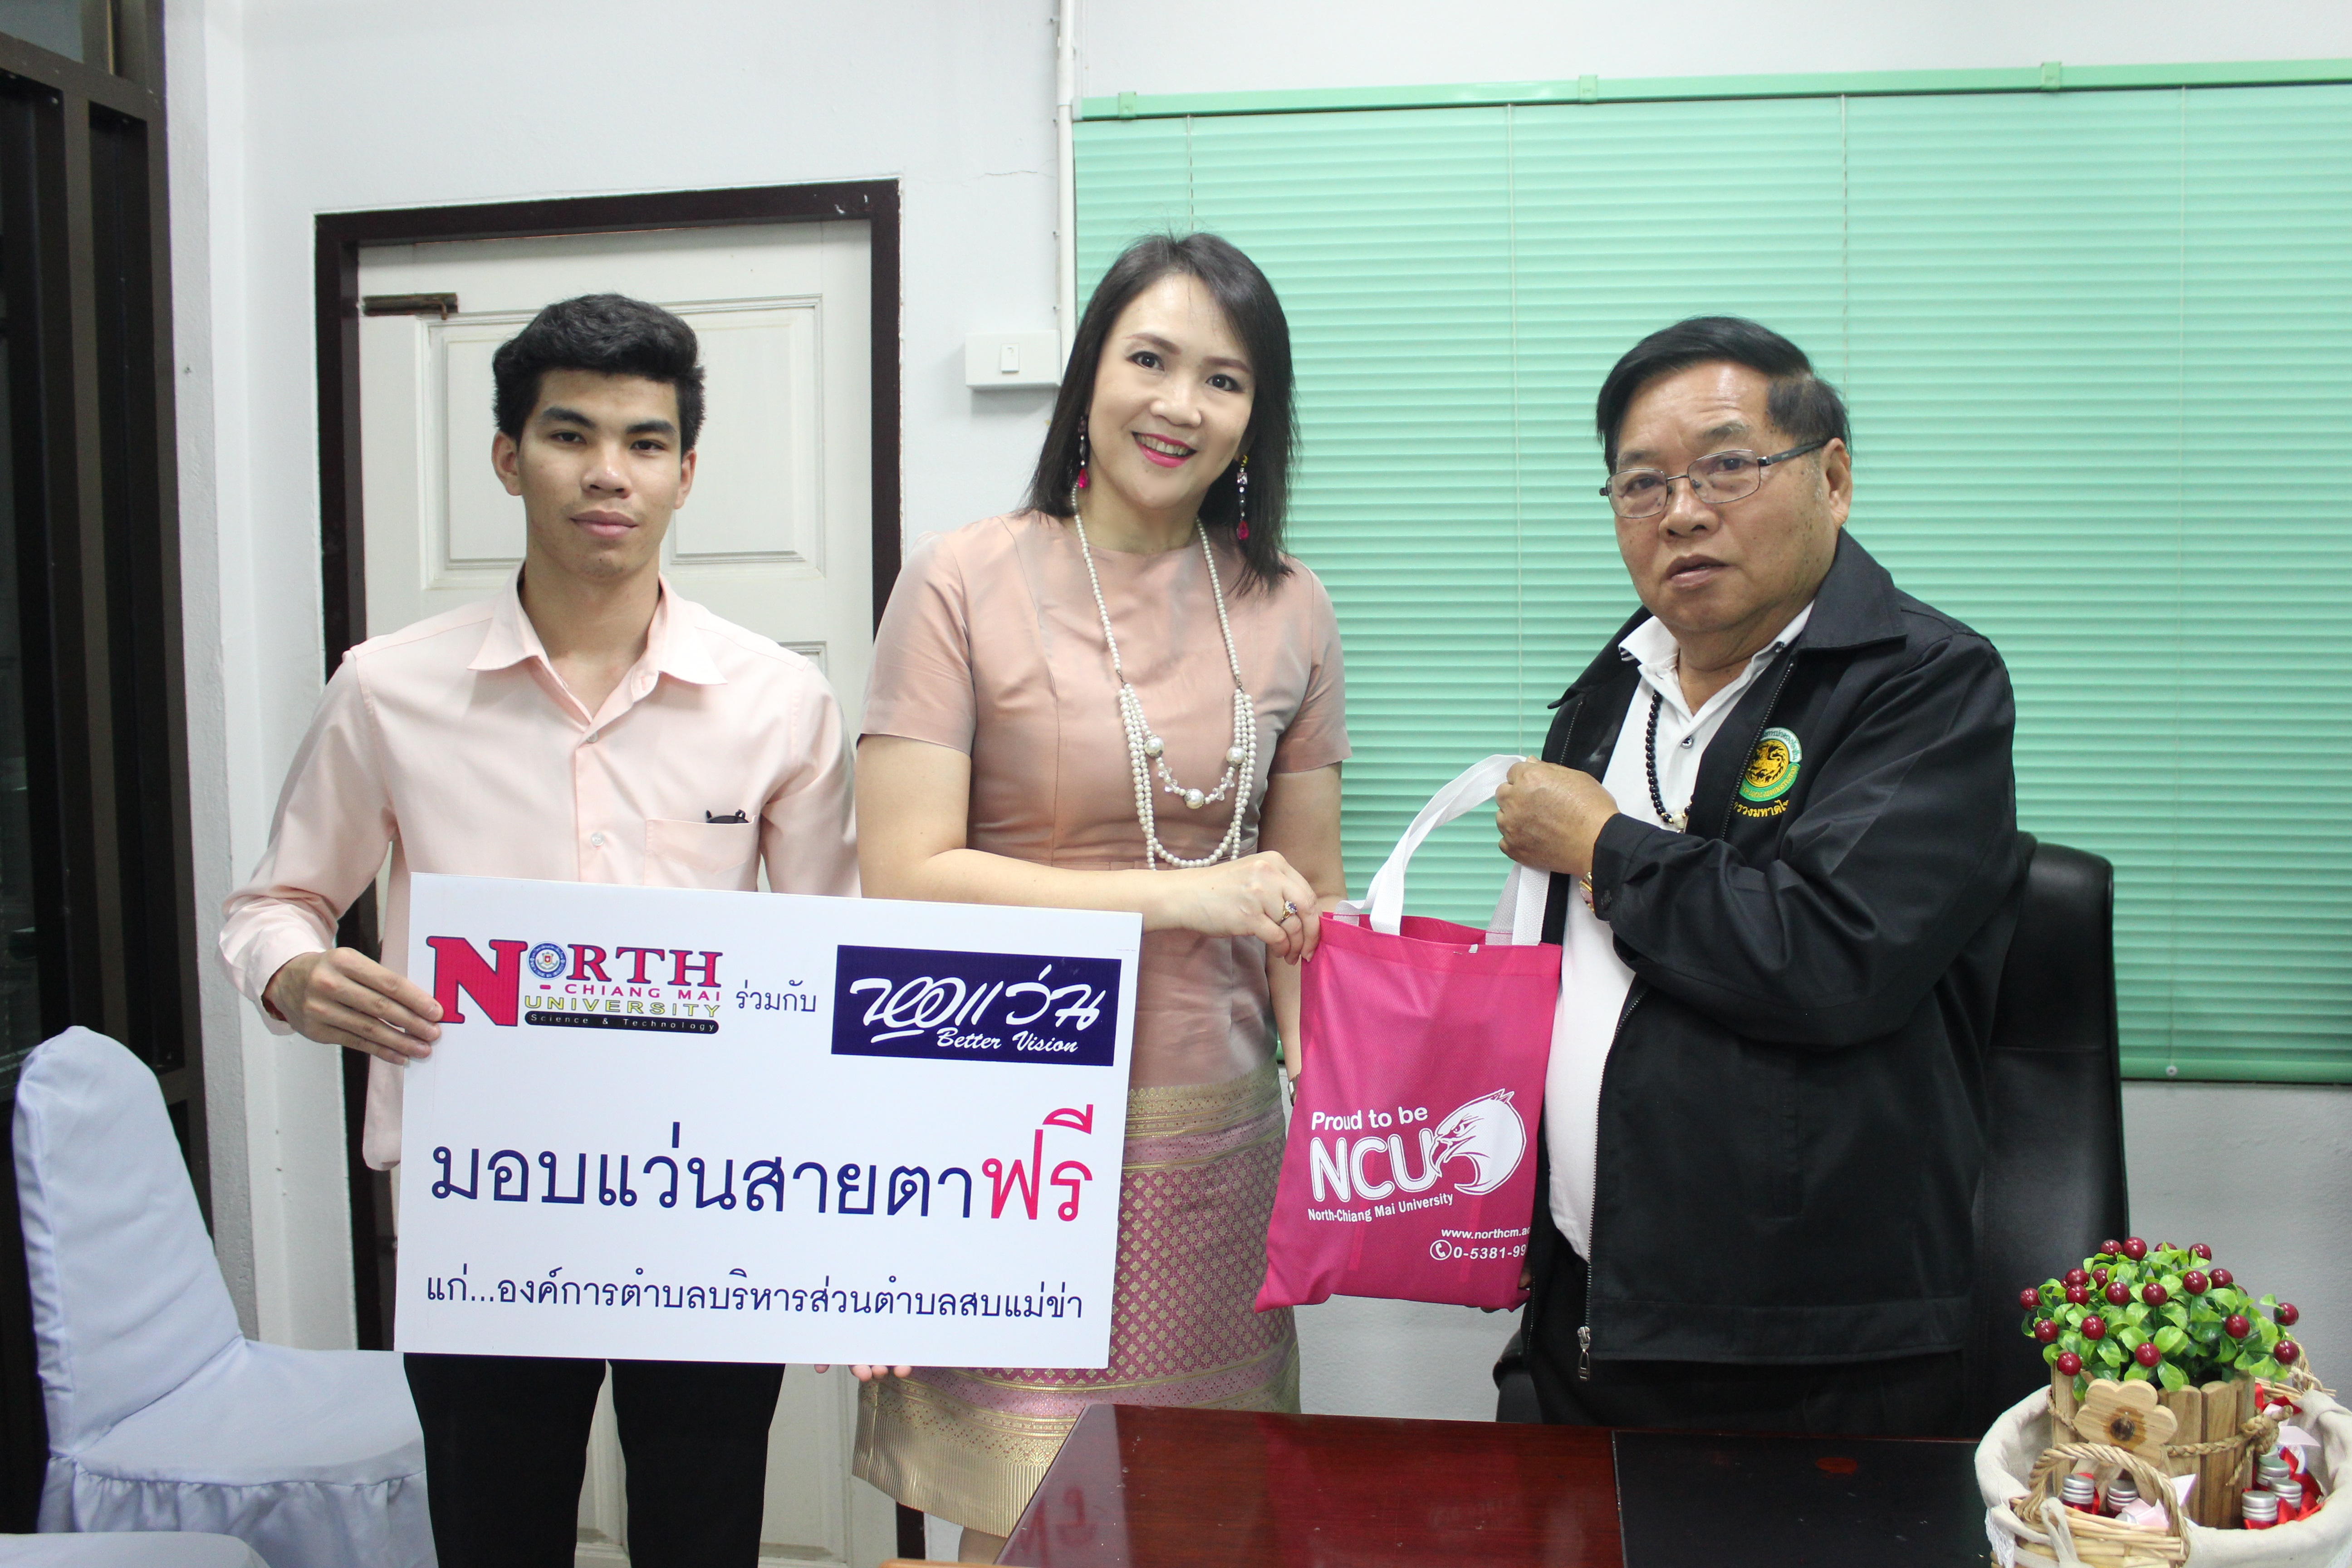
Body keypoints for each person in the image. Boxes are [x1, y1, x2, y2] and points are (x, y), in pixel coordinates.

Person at [218, 294, 857, 1568]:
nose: (608, 473)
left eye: (645, 442)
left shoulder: (780, 701)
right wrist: (296, 976)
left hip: (707, 1200)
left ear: (686, 473)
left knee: (703, 1538)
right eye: (571, 435)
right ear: (509, 459)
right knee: (494, 1536)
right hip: (485, 1206)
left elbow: (832, 962)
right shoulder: (388, 687)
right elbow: (273, 903)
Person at [849, 232, 1348, 1562]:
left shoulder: (1291, 605)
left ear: (1257, 418)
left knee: (1207, 1513)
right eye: (1151, 361)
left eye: (1225, 380)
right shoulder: (964, 576)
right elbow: (905, 877)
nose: (1181, 405)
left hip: (1217, 1143)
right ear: (1089, 380)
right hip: (1008, 1125)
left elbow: (1309, 899)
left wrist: (1338, 1095)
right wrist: (1185, 902)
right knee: (1030, 1513)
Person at [1493, 316, 2024, 1436]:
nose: (1683, 512)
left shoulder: (1928, 684)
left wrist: (1604, 845)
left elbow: (1830, 953)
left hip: (1806, 1355)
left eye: (1727, 466)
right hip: (1588, 1317)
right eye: (1642, 484)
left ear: (1833, 480)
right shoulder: (1610, 688)